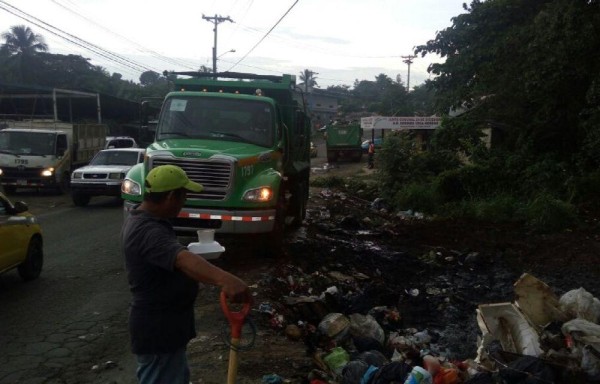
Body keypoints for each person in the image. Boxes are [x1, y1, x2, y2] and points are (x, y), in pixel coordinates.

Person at [121, 164, 251, 384]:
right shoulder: (147, 230)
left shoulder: (150, 222)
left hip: (166, 329)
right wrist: (225, 279)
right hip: (158, 330)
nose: (185, 202)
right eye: (184, 196)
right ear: (171, 196)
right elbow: (181, 258)